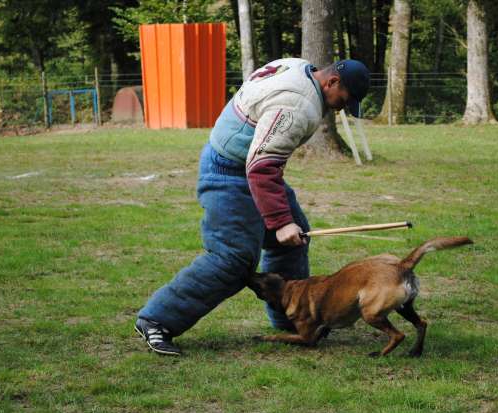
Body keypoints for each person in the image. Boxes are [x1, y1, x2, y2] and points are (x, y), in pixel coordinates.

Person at [135, 58, 370, 355]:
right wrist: (280, 220)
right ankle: (156, 320)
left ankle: (293, 318)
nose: (339, 109)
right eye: (343, 101)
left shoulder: (298, 66)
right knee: (233, 259)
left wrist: (283, 223)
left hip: (240, 164)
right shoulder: (298, 104)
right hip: (229, 173)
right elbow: (261, 167)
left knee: (293, 241)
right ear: (332, 82)